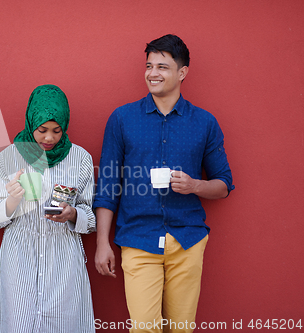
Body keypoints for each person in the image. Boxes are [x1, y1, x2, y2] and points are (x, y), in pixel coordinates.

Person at [93, 34, 234, 333]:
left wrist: (195, 185)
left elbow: (223, 184)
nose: (152, 73)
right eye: (149, 66)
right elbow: (107, 185)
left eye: (162, 67)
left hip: (188, 241)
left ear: (182, 73)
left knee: (181, 329)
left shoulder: (204, 122)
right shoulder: (122, 119)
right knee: (144, 328)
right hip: (138, 239)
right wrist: (102, 243)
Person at [0, 84, 96, 333]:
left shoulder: (80, 158)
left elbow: (91, 218)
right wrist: (13, 200)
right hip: (19, 260)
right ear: (30, 122)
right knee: (18, 324)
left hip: (63, 262)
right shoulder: (8, 157)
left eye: (57, 131)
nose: (49, 138)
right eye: (42, 130)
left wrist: (73, 214)